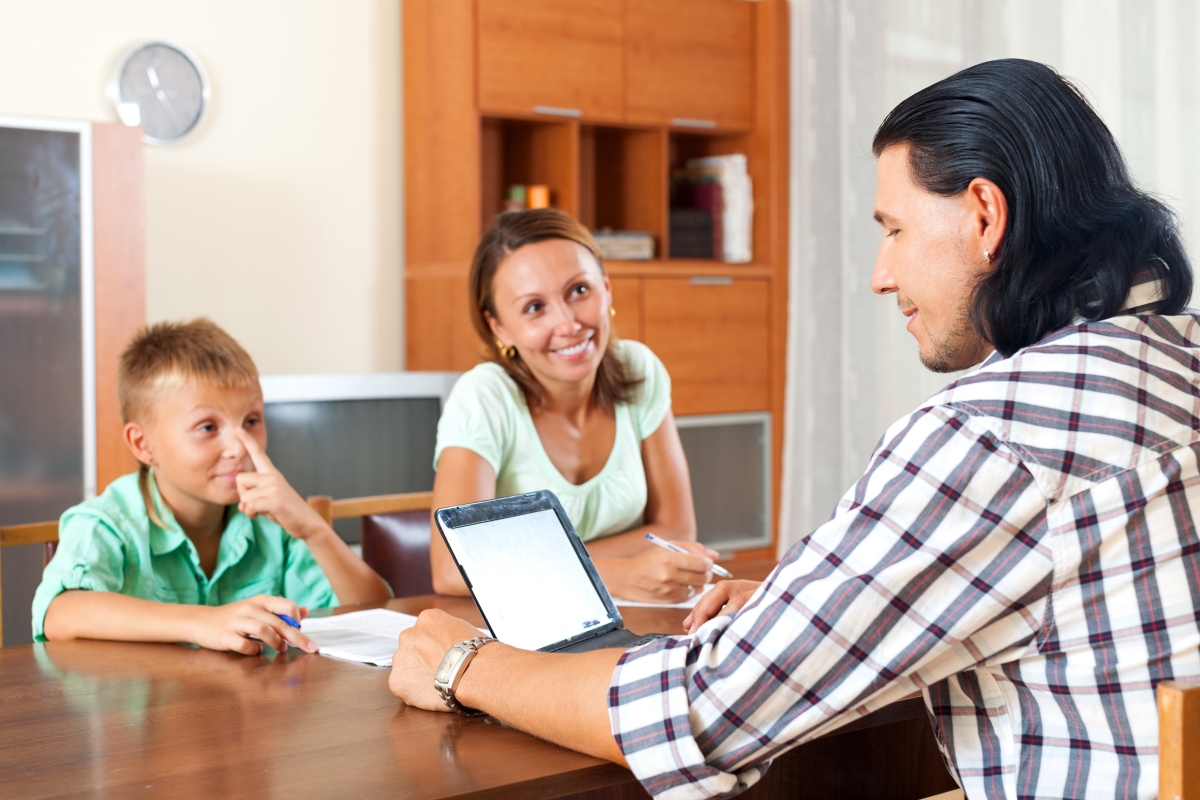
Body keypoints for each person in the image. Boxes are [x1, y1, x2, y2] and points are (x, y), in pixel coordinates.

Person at [389, 59, 1200, 800]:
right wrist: (796, 606)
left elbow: (703, 714)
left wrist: (465, 664)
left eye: (894, 229)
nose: (883, 275)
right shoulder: (1179, 359)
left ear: (985, 215)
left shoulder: (994, 437)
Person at [33, 319, 392, 654]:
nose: (239, 447)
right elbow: (60, 612)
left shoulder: (273, 524)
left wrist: (314, 530)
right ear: (143, 445)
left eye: (251, 421)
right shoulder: (107, 523)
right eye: (207, 427)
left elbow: (374, 610)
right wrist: (202, 621)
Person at [429, 208, 717, 603]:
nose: (567, 325)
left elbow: (678, 531)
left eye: (579, 291)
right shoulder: (483, 397)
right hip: (526, 631)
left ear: (607, 287)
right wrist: (612, 573)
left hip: (636, 617)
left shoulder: (640, 368)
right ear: (499, 326)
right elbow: (451, 568)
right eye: (534, 307)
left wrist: (530, 563)